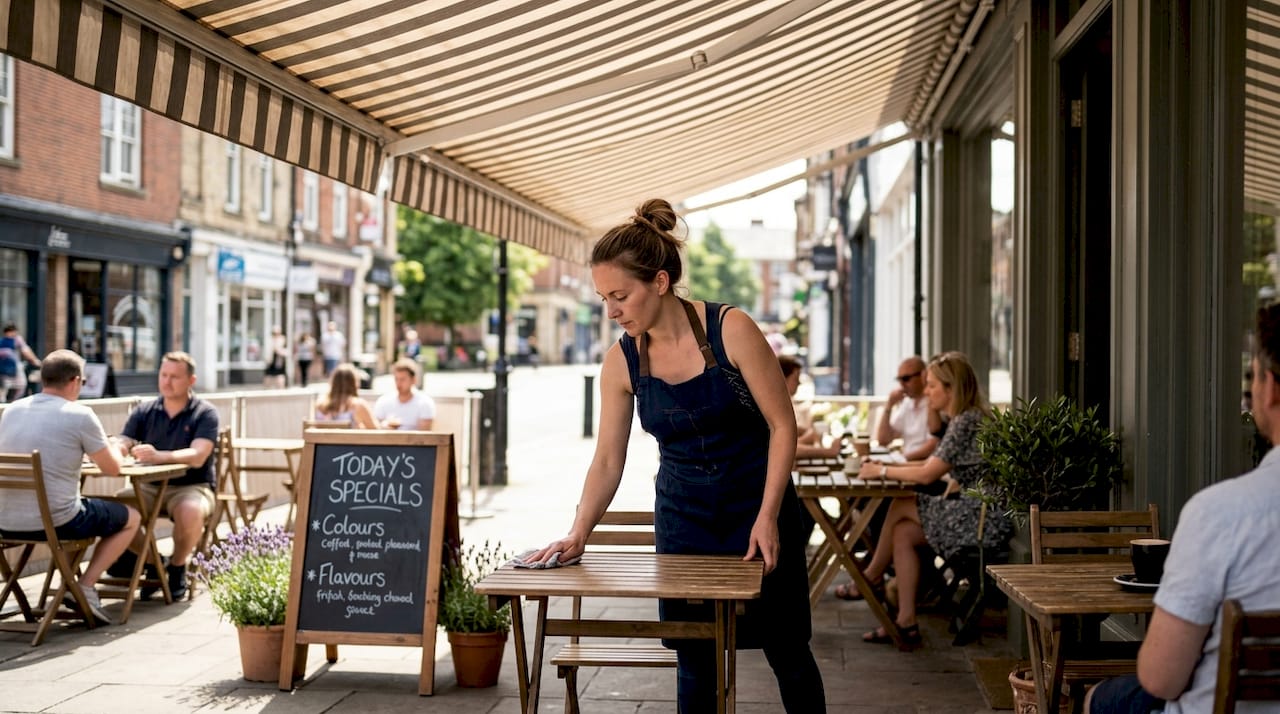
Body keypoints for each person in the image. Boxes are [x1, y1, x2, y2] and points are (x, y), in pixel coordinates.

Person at [525, 199, 825, 712]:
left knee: (787, 649)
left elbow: (782, 425)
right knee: (694, 656)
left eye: (621, 295)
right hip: (684, 520)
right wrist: (579, 532)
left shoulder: (730, 330)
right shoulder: (621, 362)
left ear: (660, 282)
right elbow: (606, 462)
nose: (613, 310)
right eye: (604, 299)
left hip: (758, 510)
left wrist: (769, 515)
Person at [1085, 305, 1280, 714]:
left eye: (1252, 374)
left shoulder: (1222, 514)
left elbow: (1161, 678)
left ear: (1270, 387)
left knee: (1099, 700)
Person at [851, 351, 1011, 647]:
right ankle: (906, 622)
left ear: (951, 389)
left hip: (983, 522)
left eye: (932, 385)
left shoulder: (967, 421)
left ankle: (871, 574)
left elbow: (926, 475)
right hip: (976, 513)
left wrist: (882, 469)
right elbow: (929, 467)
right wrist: (884, 468)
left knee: (901, 504)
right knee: (902, 533)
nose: (927, 392)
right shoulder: (966, 418)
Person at [0, 350, 140, 624]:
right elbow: (111, 469)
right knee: (131, 518)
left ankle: (68, 585)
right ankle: (84, 587)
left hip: (4, 522)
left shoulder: (12, 411)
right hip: (57, 522)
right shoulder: (80, 415)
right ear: (75, 381)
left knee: (81, 505)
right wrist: (119, 446)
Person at [110, 351, 218, 601]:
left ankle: (178, 566)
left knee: (190, 511)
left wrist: (161, 456)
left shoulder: (205, 412)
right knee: (115, 509)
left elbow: (199, 454)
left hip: (192, 485)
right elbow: (124, 440)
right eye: (163, 375)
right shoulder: (144, 410)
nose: (167, 382)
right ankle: (155, 563)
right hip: (147, 486)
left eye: (175, 377)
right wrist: (115, 448)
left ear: (191, 381)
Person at [874, 355, 944, 460]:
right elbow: (883, 440)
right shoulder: (907, 403)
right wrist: (889, 405)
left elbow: (933, 444)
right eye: (899, 379)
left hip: (924, 464)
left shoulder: (934, 402)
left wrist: (901, 459)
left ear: (923, 376)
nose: (902, 384)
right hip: (909, 463)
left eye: (906, 379)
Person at [780, 355, 841, 460]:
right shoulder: (774, 406)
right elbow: (782, 448)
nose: (799, 383)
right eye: (796, 378)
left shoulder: (781, 404)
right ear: (783, 378)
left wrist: (806, 432)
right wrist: (829, 452)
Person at [373, 358, 436, 430]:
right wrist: (384, 426)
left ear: (413, 380)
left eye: (402, 379)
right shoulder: (383, 401)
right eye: (396, 379)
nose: (398, 383)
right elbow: (375, 428)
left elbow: (424, 435)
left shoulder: (425, 403)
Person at [314, 363, 377, 428]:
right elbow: (376, 431)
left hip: (323, 438)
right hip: (349, 438)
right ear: (354, 383)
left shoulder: (319, 405)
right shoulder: (358, 405)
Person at [0, 323, 41, 403]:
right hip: (15, 369)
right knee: (21, 385)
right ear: (14, 331)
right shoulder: (16, 340)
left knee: (4, 388)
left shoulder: (2, 341)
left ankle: (4, 402)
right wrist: (36, 361)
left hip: (2, 371)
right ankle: (13, 402)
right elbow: (26, 351)